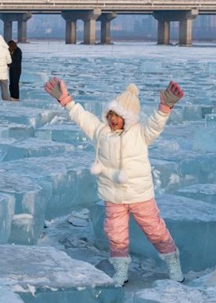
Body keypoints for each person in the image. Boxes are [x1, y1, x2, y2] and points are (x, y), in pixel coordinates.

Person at [43, 77, 186, 286]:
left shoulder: (140, 133)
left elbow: (155, 124)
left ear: (128, 118)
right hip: (113, 197)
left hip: (139, 195)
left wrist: (165, 106)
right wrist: (66, 100)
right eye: (111, 115)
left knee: (156, 231)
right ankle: (121, 271)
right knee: (116, 235)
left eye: (118, 117)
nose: (113, 120)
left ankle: (173, 264)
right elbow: (83, 118)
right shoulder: (101, 133)